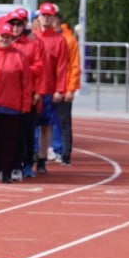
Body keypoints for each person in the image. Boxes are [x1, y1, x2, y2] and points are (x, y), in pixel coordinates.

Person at [0, 16, 33, 183]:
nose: (4, 39)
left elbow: (26, 83)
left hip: (11, 106)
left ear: (12, 38)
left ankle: (7, 172)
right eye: (2, 36)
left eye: (8, 37)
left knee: (9, 142)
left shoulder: (19, 56)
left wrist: (25, 105)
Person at [32, 2, 70, 176]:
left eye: (49, 16)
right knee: (28, 126)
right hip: (31, 90)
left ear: (54, 18)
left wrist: (59, 89)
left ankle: (41, 159)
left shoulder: (59, 40)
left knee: (45, 127)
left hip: (48, 90)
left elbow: (62, 67)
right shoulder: (31, 38)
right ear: (38, 17)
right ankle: (28, 156)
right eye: (43, 15)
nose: (46, 19)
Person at [8, 7, 42, 181]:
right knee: (10, 133)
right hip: (8, 95)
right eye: (12, 24)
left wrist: (37, 92)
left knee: (27, 132)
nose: (15, 28)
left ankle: (27, 163)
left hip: (27, 95)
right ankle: (10, 164)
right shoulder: (4, 42)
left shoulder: (31, 45)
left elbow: (39, 68)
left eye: (19, 24)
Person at [56, 14, 80, 166]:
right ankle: (41, 155)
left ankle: (65, 154)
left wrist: (71, 88)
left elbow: (75, 66)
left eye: (50, 16)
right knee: (44, 124)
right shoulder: (40, 37)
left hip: (64, 88)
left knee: (64, 122)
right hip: (47, 88)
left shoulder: (69, 40)